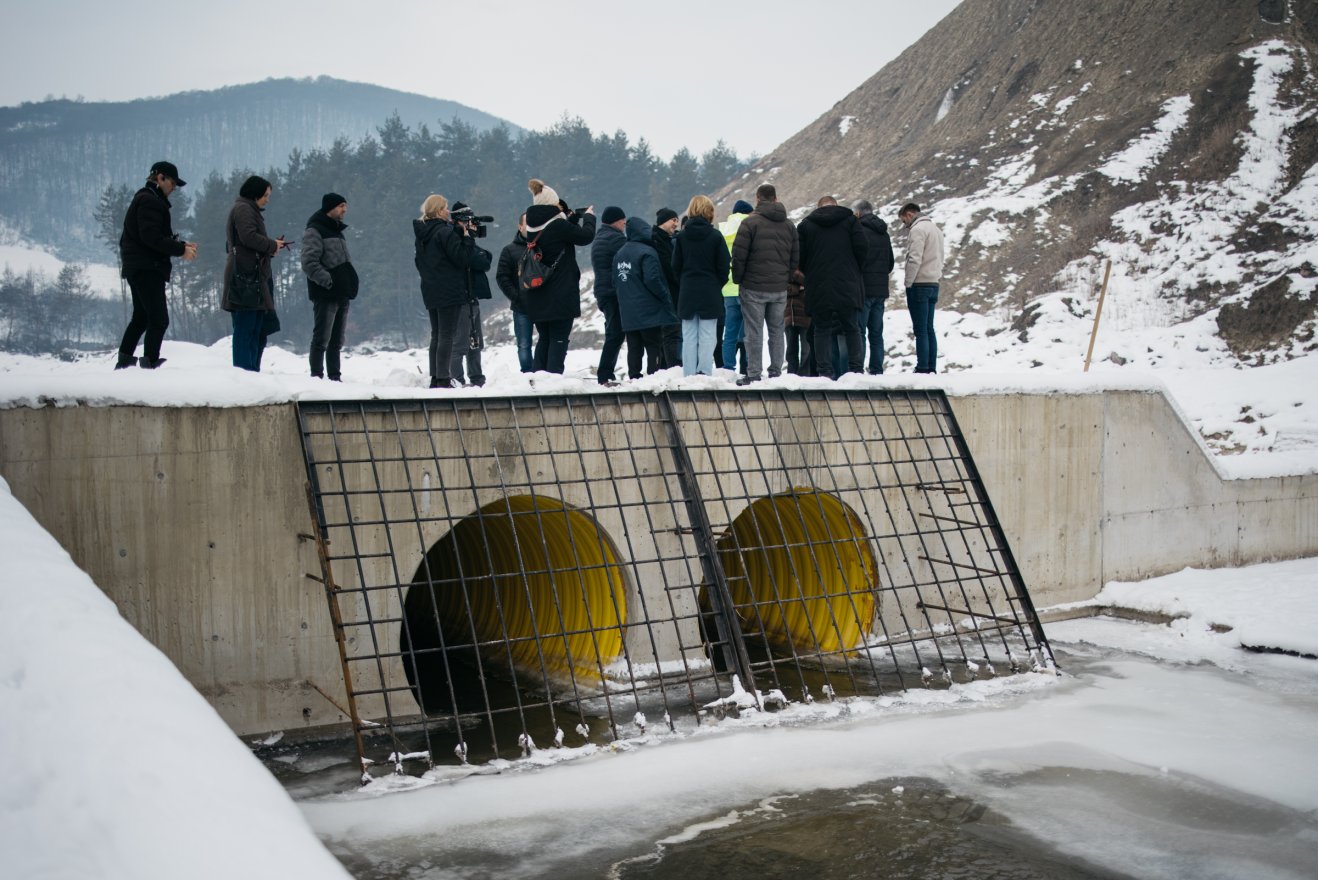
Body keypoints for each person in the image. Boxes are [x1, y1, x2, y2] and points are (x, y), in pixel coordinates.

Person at [115, 161, 197, 370]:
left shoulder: (146, 198)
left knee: (142, 317)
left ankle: (124, 363)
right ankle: (149, 364)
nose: (174, 188)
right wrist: (180, 250)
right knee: (158, 319)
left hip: (138, 267)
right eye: (172, 182)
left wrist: (180, 245)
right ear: (160, 178)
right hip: (147, 268)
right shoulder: (150, 201)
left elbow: (150, 236)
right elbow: (151, 237)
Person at [522, 179, 595, 373]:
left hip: (539, 293)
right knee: (559, 338)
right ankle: (553, 377)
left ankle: (538, 377)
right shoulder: (558, 226)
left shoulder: (532, 226)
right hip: (560, 292)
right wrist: (589, 218)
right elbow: (585, 236)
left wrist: (571, 220)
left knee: (544, 338)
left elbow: (554, 238)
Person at [414, 194, 484, 388]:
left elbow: (418, 262)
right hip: (449, 289)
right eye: (445, 208)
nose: (448, 211)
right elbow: (462, 258)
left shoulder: (422, 234)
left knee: (436, 334)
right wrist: (467, 237)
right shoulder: (444, 232)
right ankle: (444, 378)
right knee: (447, 335)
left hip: (430, 289)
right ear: (438, 211)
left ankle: (436, 377)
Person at [730, 184, 798, 385]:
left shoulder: (749, 223)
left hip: (753, 287)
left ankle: (754, 373)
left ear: (758, 199)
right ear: (776, 199)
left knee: (754, 331)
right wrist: (785, 278)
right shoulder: (789, 225)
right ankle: (775, 372)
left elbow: (738, 256)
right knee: (777, 331)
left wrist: (739, 279)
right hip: (779, 288)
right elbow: (795, 257)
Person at [222, 175, 290, 372]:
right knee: (246, 328)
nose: (267, 199)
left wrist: (270, 247)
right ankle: (244, 373)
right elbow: (248, 237)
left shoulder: (248, 210)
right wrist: (271, 245)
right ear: (255, 193)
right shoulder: (243, 209)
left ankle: (252, 371)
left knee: (257, 329)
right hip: (245, 278)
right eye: (266, 195)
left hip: (253, 277)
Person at [798, 195, 868, 379]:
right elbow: (862, 248)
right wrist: (853, 270)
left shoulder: (806, 225)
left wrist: (810, 271)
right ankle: (856, 369)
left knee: (821, 328)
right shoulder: (851, 221)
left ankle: (825, 372)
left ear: (818, 208)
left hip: (818, 284)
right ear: (836, 206)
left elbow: (800, 257)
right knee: (851, 327)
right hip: (847, 283)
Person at [301, 192, 358, 381]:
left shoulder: (337, 231)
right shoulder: (315, 230)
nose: (345, 210)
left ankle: (335, 377)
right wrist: (329, 281)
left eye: (345, 206)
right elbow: (309, 262)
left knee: (337, 341)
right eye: (341, 206)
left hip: (342, 293)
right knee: (321, 338)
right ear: (330, 208)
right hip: (326, 294)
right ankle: (317, 377)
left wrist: (349, 281)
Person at [671, 195, 730, 377]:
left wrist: (684, 282)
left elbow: (675, 266)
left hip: (688, 290)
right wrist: (716, 284)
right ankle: (704, 371)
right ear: (709, 211)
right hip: (710, 290)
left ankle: (689, 373)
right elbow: (724, 266)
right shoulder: (716, 236)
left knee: (689, 335)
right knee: (708, 335)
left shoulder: (682, 237)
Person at [614, 216, 676, 379]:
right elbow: (652, 279)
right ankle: (653, 377)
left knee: (634, 347)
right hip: (648, 310)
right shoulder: (647, 252)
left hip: (628, 311)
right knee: (653, 345)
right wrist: (665, 296)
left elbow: (615, 281)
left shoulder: (619, 254)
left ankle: (634, 377)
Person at [447, 203, 493, 387]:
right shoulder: (454, 240)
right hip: (460, 297)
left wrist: (471, 237)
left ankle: (477, 379)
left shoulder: (467, 241)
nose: (472, 225)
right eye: (469, 221)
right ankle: (456, 380)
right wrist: (469, 239)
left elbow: (485, 260)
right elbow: (477, 260)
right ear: (459, 221)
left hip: (472, 297)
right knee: (459, 344)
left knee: (476, 343)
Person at [899, 202, 946, 374]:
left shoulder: (918, 230)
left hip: (919, 284)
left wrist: (908, 282)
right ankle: (931, 367)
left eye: (904, 221)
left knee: (920, 330)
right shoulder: (936, 229)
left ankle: (922, 368)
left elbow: (914, 258)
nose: (905, 225)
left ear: (909, 215)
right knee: (929, 328)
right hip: (933, 283)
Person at [852, 199, 895, 374]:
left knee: (860, 331)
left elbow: (855, 261)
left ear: (858, 213)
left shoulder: (859, 231)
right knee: (876, 333)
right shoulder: (884, 233)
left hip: (864, 290)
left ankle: (858, 369)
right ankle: (877, 369)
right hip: (880, 290)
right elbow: (890, 263)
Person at [591, 206, 628, 385]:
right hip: (612, 292)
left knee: (613, 332)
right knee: (615, 334)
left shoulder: (600, 237)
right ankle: (605, 374)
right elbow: (629, 256)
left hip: (603, 292)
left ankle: (606, 373)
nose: (624, 224)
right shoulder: (615, 239)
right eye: (622, 221)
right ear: (616, 221)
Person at [718, 198, 753, 373]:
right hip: (746, 286)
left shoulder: (723, 229)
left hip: (728, 288)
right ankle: (747, 368)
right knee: (749, 332)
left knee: (730, 333)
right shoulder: (750, 227)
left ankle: (728, 368)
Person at [495, 214, 534, 373]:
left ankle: (544, 374)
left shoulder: (543, 247)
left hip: (544, 304)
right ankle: (527, 374)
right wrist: (515, 296)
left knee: (546, 341)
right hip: (521, 306)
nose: (530, 227)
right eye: (527, 224)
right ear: (520, 227)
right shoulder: (509, 250)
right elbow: (502, 277)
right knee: (524, 344)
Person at [652, 207, 682, 368]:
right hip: (667, 293)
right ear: (663, 221)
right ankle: (672, 367)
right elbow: (669, 268)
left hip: (670, 292)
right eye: (673, 220)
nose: (676, 224)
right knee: (671, 332)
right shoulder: (658, 241)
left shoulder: (665, 239)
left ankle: (665, 367)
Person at [784, 269, 814, 376]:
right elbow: (781, 286)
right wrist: (798, 288)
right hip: (789, 314)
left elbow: (810, 281)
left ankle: (805, 375)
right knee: (791, 350)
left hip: (805, 313)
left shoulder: (807, 264)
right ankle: (792, 374)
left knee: (806, 350)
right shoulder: (785, 264)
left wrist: (794, 276)